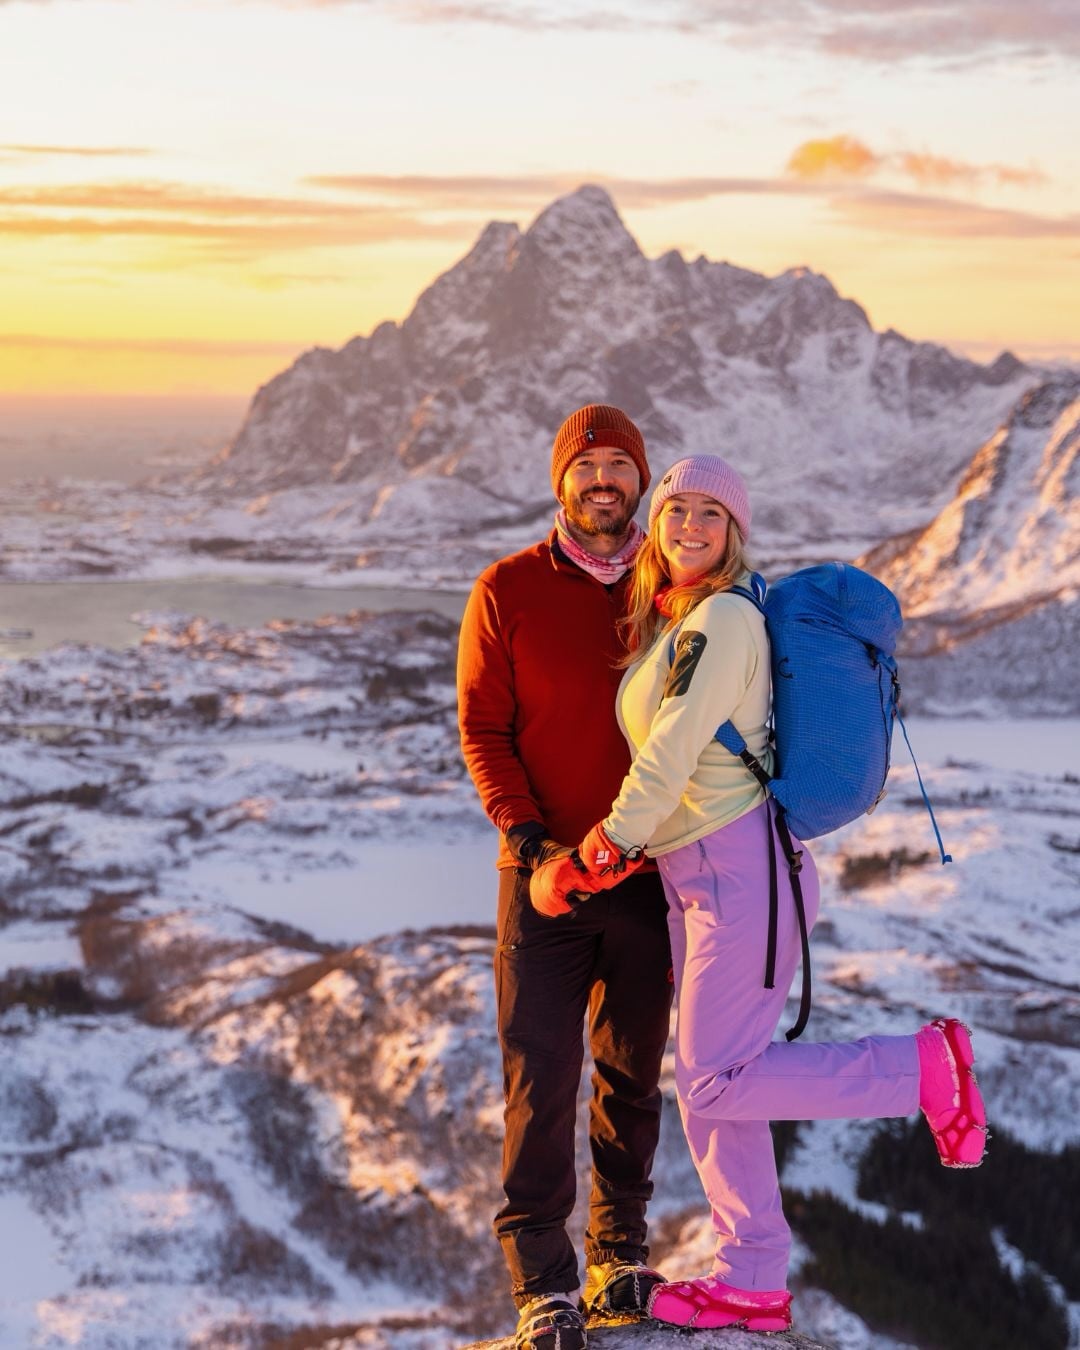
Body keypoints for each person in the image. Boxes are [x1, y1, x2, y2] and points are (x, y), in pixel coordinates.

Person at [531, 453, 989, 1334]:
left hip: (739, 872)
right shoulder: (683, 620)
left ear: (734, 532)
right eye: (677, 511)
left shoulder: (724, 621)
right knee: (715, 1079)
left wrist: (610, 842)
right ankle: (750, 1277)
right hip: (701, 874)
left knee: (714, 1079)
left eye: (712, 514)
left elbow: (669, 751)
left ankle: (923, 1068)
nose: (692, 526)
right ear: (655, 527)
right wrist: (645, 847)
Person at [456, 405, 674, 1350]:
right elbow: (484, 732)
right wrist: (536, 846)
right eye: (586, 465)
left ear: (641, 482)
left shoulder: (679, 594)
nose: (602, 481)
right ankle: (542, 1285)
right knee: (540, 1080)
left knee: (631, 1075)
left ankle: (617, 1257)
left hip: (651, 876)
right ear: (560, 480)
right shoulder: (505, 589)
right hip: (543, 879)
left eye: (620, 465)